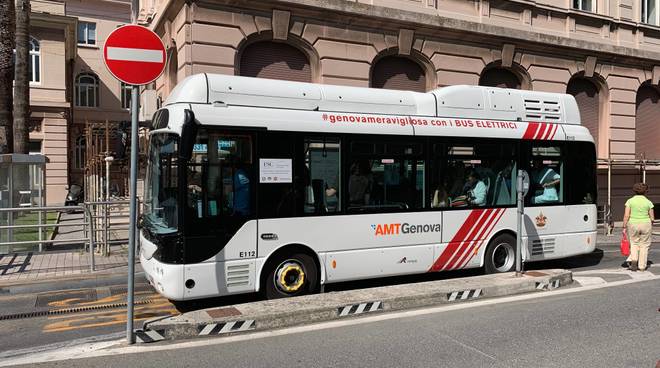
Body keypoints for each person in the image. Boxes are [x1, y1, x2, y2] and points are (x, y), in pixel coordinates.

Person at [622, 183, 654, 271]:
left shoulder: (630, 201)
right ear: (646, 191)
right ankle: (642, 266)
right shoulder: (648, 202)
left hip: (633, 223)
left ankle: (634, 262)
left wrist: (624, 226)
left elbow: (626, 215)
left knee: (634, 243)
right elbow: (652, 217)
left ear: (634, 190)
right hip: (646, 223)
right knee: (644, 244)